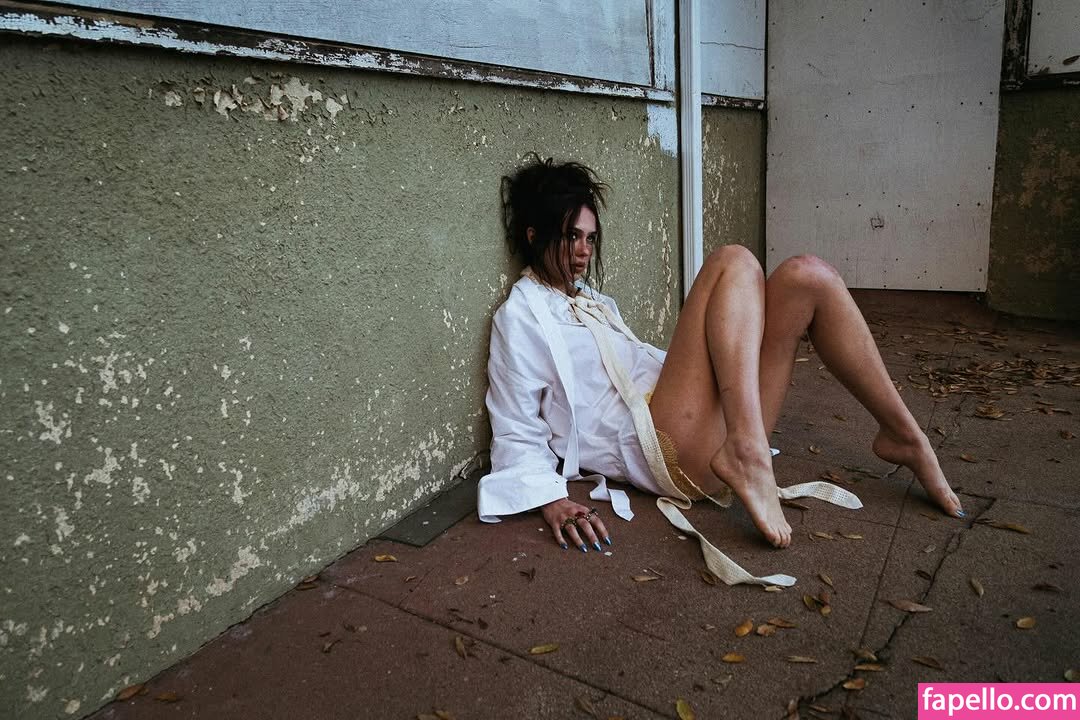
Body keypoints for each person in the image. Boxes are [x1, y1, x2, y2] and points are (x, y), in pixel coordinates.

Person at [477, 154, 962, 558]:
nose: (583, 251)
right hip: (666, 448)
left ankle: (904, 436)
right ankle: (746, 451)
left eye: (590, 237)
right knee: (734, 261)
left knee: (807, 276)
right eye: (569, 236)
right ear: (533, 236)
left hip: (710, 427)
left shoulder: (595, 303)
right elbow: (516, 424)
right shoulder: (519, 316)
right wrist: (552, 500)